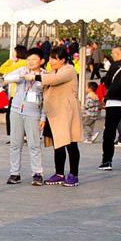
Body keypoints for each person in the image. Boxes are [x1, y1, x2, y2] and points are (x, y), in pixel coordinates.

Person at [42, 46, 83, 186]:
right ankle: (59, 173)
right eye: (50, 58)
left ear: (63, 60)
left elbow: (54, 80)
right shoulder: (51, 71)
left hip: (67, 112)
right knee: (58, 144)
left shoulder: (69, 70)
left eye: (55, 58)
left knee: (70, 143)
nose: (51, 61)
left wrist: (35, 76)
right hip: (54, 113)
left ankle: (74, 174)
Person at [3, 49, 45, 185]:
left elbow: (46, 99)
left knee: (34, 144)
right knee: (15, 143)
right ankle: (14, 173)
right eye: (28, 59)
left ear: (41, 61)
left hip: (33, 113)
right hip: (16, 110)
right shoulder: (22, 70)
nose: (30, 62)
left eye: (34, 59)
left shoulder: (45, 75)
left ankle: (37, 173)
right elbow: (6, 78)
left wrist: (43, 117)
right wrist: (22, 76)